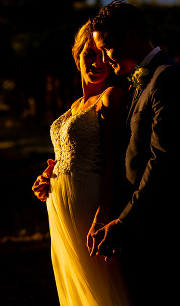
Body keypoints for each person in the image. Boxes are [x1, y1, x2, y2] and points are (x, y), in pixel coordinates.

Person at [88, 1, 180, 305]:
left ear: (131, 37)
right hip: (146, 226)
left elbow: (164, 159)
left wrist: (124, 222)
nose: (105, 59)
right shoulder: (142, 81)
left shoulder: (170, 78)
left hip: (169, 227)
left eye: (107, 48)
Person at [32, 20, 132, 306]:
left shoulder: (110, 97)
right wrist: (47, 177)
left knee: (98, 288)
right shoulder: (75, 105)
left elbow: (114, 162)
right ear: (77, 57)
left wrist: (102, 217)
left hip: (88, 206)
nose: (97, 63)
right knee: (73, 290)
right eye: (89, 54)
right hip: (58, 209)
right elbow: (68, 155)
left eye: (103, 55)